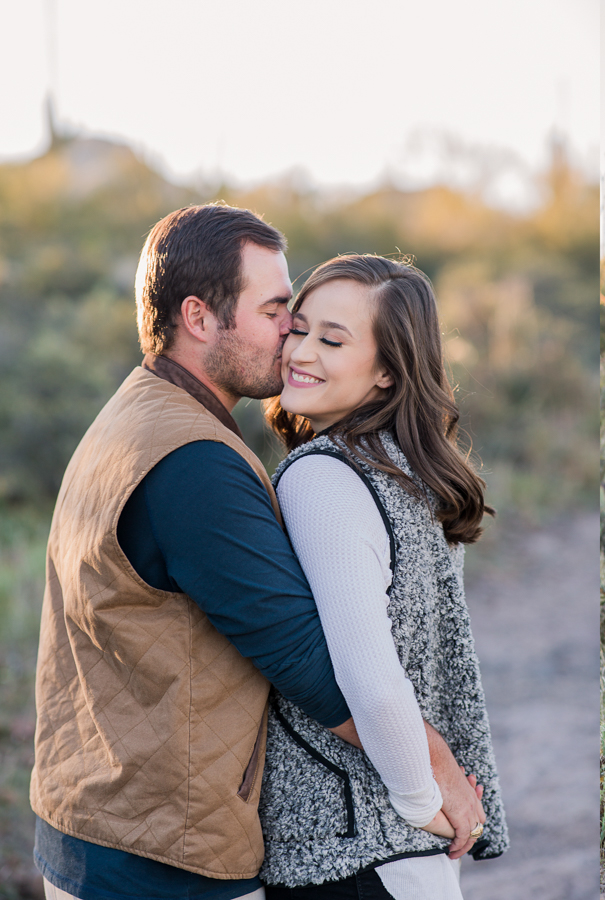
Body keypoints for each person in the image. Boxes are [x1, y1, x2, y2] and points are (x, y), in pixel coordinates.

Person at [30, 205, 480, 900]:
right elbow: (307, 660)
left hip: (101, 816)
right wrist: (438, 773)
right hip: (161, 852)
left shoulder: (136, 412)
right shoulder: (194, 463)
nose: (289, 336)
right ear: (200, 318)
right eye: (277, 311)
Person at [255, 255, 507, 899]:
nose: (300, 352)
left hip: (351, 853)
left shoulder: (322, 476)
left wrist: (421, 803)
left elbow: (369, 673)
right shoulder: (401, 472)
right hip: (397, 860)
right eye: (300, 328)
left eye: (332, 340)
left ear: (389, 371)